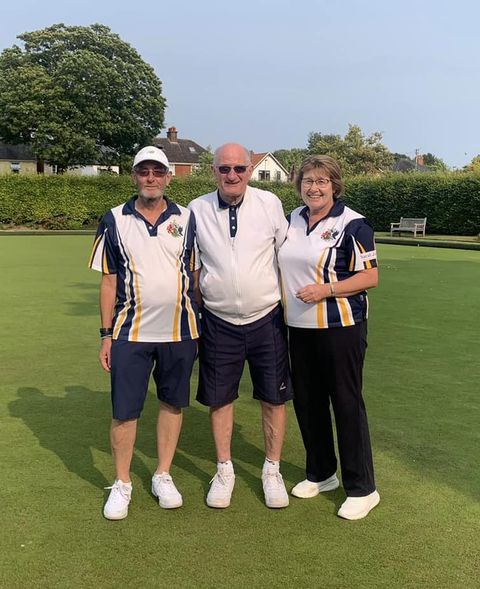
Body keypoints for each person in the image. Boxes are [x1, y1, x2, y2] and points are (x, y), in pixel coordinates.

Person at [89, 146, 200, 520]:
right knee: (125, 411)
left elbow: (196, 276)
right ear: (134, 176)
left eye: (157, 171)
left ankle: (163, 474)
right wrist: (106, 335)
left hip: (180, 330)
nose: (150, 178)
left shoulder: (187, 218)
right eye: (143, 171)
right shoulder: (113, 220)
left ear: (169, 176)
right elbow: (108, 281)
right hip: (128, 333)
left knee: (172, 403)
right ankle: (122, 483)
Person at [188, 143, 293, 509]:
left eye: (239, 169)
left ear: (250, 170)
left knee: (274, 397)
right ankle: (224, 470)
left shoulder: (270, 204)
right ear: (213, 171)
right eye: (224, 169)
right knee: (220, 399)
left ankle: (272, 470)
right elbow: (192, 265)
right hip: (218, 322)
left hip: (267, 319)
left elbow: (287, 257)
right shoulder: (197, 209)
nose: (232, 176)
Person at [278, 155, 380, 520]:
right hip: (299, 329)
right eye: (308, 180)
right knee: (308, 402)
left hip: (341, 328)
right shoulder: (291, 219)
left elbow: (369, 278)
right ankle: (322, 473)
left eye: (322, 181)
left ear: (334, 185)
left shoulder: (353, 224)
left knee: (346, 403)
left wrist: (325, 290)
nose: (314, 187)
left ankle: (362, 488)